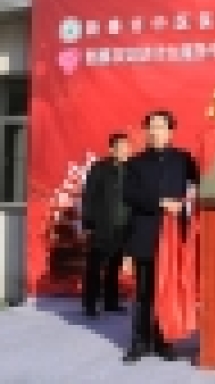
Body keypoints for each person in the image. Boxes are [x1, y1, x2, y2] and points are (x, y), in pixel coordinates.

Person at [122, 110, 199, 364]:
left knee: (167, 291)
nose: (156, 132)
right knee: (144, 292)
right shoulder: (135, 163)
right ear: (146, 131)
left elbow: (199, 185)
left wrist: (185, 205)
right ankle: (139, 341)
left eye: (161, 127)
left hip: (174, 235)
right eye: (152, 127)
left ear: (171, 131)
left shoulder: (183, 160)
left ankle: (164, 340)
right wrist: (161, 202)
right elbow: (129, 195)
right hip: (145, 233)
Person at [81, 132, 131, 318]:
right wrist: (88, 223)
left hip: (122, 226)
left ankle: (111, 302)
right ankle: (90, 303)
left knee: (114, 266)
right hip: (101, 226)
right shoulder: (99, 169)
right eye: (121, 147)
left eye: (127, 147)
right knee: (95, 267)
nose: (125, 150)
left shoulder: (130, 170)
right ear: (112, 149)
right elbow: (88, 196)